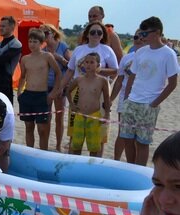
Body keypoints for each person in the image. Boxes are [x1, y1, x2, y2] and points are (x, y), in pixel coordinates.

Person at [120, 16, 179, 167]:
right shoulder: (140, 52)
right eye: (140, 34)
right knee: (127, 138)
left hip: (149, 104)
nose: (141, 37)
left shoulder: (168, 54)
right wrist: (127, 98)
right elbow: (132, 76)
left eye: (145, 34)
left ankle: (138, 171)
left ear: (157, 32)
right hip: (132, 101)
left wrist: (154, 103)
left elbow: (172, 83)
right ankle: (130, 169)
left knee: (142, 142)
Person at [60, 21, 118, 154]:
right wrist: (59, 88)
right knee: (75, 133)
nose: (96, 35)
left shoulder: (107, 50)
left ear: (103, 35)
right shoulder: (79, 49)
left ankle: (96, 165)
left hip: (99, 93)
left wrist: (97, 70)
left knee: (99, 135)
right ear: (87, 34)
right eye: (93, 32)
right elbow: (70, 70)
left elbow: (116, 70)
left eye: (99, 32)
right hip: (78, 92)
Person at [17, 28, 61, 151]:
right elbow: (23, 77)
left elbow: (58, 73)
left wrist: (54, 93)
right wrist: (20, 92)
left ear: (42, 43)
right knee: (29, 126)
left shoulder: (47, 56)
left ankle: (43, 152)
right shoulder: (25, 58)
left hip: (42, 95)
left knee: (42, 129)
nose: (32, 44)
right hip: (28, 95)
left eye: (35, 41)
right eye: (30, 41)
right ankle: (30, 152)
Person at [65, 53, 110, 157]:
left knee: (94, 147)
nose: (88, 65)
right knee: (76, 145)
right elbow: (67, 91)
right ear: (83, 64)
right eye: (86, 62)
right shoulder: (79, 79)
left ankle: (92, 168)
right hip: (79, 115)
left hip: (94, 116)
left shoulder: (102, 81)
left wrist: (107, 114)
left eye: (92, 62)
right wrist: (72, 104)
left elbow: (107, 100)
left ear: (98, 64)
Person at [110, 31, 145, 161]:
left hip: (142, 99)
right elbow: (119, 80)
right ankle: (116, 160)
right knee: (123, 133)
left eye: (142, 37)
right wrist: (111, 99)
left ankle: (135, 164)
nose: (138, 39)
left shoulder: (148, 58)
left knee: (138, 136)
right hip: (125, 97)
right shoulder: (127, 58)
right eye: (136, 37)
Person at [40, 23, 71, 152]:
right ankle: (45, 146)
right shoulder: (43, 50)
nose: (45, 36)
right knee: (46, 117)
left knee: (59, 116)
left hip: (60, 85)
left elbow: (71, 66)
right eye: (43, 33)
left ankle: (58, 145)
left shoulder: (62, 46)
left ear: (53, 33)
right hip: (46, 85)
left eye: (46, 33)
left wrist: (60, 58)